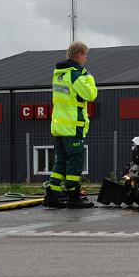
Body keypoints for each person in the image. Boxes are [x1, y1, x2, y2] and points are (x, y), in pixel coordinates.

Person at [44, 41, 98, 209]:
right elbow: (90, 94)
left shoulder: (58, 73)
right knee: (75, 161)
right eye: (85, 56)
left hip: (59, 125)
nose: (86, 60)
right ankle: (74, 196)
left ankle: (52, 193)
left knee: (60, 161)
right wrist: (88, 77)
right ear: (79, 55)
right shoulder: (76, 74)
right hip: (72, 125)